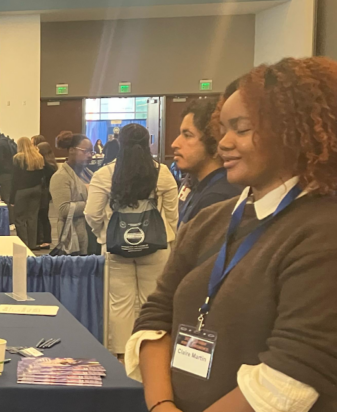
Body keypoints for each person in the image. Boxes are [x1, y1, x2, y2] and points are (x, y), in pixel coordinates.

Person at [131, 57, 337, 412]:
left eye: (240, 129)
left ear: (293, 131)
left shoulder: (322, 230)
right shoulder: (211, 220)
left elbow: (298, 369)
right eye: (221, 129)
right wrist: (162, 404)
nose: (223, 143)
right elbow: (155, 315)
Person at [84, 123, 178, 356]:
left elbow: (92, 213)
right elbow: (174, 215)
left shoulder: (104, 174)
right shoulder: (162, 172)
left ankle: (123, 357)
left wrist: (103, 234)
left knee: (119, 304)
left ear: (119, 144)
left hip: (116, 248)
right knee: (153, 304)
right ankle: (151, 355)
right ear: (148, 144)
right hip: (157, 247)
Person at [171, 97, 242, 228]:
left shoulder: (217, 198)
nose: (175, 144)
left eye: (187, 135)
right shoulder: (201, 186)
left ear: (214, 142)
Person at [49, 132, 93, 254]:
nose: (90, 155)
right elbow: (63, 209)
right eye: (85, 151)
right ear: (72, 150)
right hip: (74, 239)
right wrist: (93, 203)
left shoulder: (88, 173)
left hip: (92, 233)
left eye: (91, 152)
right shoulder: (61, 177)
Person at [9, 137, 57, 249]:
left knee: (20, 219)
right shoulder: (38, 157)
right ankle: (32, 244)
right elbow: (47, 172)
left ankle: (22, 244)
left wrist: (12, 199)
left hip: (22, 190)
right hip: (36, 190)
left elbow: (14, 180)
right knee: (32, 217)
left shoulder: (18, 158)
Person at [0, 127, 17, 213]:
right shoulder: (8, 140)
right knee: (11, 198)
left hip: (4, 175)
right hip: (12, 173)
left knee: (6, 199)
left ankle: (9, 220)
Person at [36, 141, 56, 248]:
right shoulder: (52, 163)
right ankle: (45, 239)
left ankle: (45, 239)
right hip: (47, 193)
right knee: (43, 216)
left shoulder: (47, 166)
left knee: (42, 216)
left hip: (44, 192)